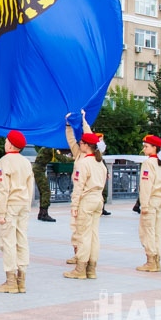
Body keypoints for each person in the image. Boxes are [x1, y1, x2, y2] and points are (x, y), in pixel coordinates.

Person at [63, 118, 107, 280]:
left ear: (87, 145)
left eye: (82, 142)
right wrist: (73, 123)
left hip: (86, 200)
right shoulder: (99, 163)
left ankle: (80, 268)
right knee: (94, 235)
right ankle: (91, 269)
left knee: (83, 235)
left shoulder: (84, 163)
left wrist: (74, 205)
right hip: (97, 200)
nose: (79, 144)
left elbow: (79, 187)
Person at [0, 130, 33, 294]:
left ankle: (10, 281)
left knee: (8, 242)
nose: (5, 144)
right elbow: (30, 187)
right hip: (23, 204)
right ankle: (21, 279)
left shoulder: (4, 161)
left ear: (10, 144)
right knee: (22, 239)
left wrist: (1, 213)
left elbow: (4, 189)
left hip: (10, 205)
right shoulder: (26, 162)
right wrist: (28, 206)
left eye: (6, 141)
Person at [136, 135, 161, 272]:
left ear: (154, 148)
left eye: (146, 146)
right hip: (160, 200)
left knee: (147, 231)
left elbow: (146, 186)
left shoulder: (148, 163)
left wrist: (144, 205)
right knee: (156, 232)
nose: (144, 149)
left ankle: (150, 261)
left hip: (151, 200)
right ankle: (157, 261)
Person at [65, 109, 93, 265]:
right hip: (79, 196)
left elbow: (89, 134)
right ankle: (78, 255)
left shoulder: (92, 159)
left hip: (85, 197)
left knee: (83, 229)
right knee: (76, 228)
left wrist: (83, 119)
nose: (79, 143)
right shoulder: (79, 154)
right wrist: (68, 125)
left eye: (82, 142)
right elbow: (70, 140)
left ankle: (84, 259)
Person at [32, 146, 65, 222]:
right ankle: (44, 214)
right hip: (39, 169)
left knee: (43, 192)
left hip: (38, 169)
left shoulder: (47, 146)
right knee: (46, 192)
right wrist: (73, 159)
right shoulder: (51, 148)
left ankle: (41, 213)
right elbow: (62, 159)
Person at [96, 133, 111, 216]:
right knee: (100, 191)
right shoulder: (96, 152)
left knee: (104, 192)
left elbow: (103, 163)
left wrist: (107, 173)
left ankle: (102, 208)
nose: (103, 141)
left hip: (102, 175)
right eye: (101, 139)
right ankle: (99, 208)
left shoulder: (100, 153)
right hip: (98, 175)